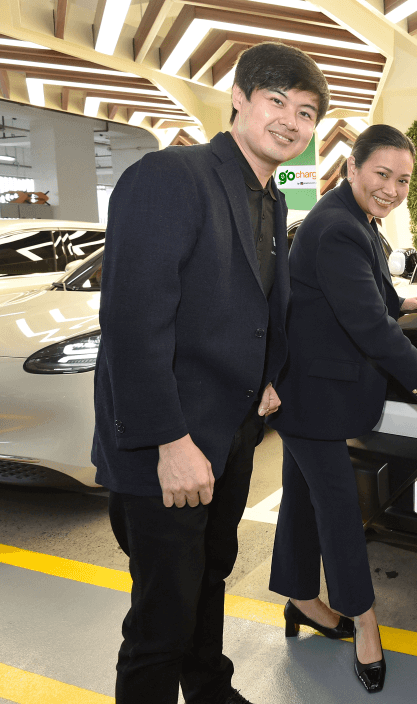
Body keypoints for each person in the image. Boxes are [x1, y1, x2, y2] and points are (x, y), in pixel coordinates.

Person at [92, 41, 329, 704]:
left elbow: (251, 307)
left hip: (230, 433)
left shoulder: (271, 202)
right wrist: (169, 442)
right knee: (162, 611)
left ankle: (208, 689)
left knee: (210, 575)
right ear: (240, 98)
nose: (290, 120)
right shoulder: (173, 176)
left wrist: (268, 374)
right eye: (277, 100)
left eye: (306, 112)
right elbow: (134, 322)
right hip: (167, 443)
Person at [267, 124, 417, 694]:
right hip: (315, 396)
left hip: (311, 390)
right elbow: (369, 326)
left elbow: (368, 292)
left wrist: (399, 298)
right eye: (381, 175)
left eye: (404, 180)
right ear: (353, 169)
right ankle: (364, 623)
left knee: (302, 496)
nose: (392, 189)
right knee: (339, 508)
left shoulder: (354, 218)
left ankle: (299, 598)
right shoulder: (339, 226)